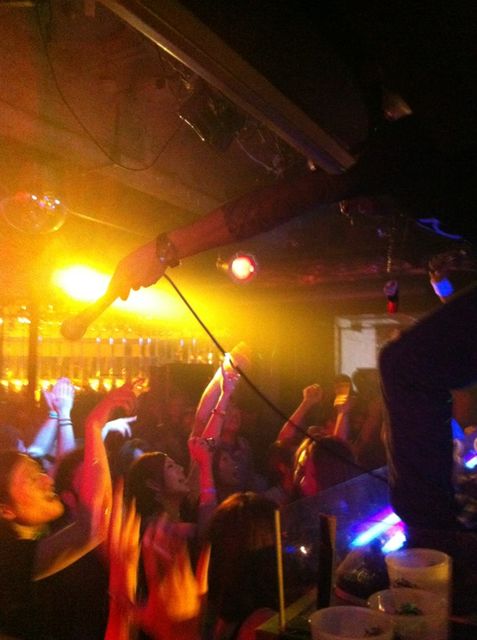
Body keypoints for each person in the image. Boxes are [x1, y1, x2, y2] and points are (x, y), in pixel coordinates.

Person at [0, 383, 136, 638]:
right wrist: (93, 426)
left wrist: (60, 415)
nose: (47, 480)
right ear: (5, 510)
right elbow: (91, 527)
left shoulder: (45, 535)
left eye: (41, 471)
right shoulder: (7, 558)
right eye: (32, 479)